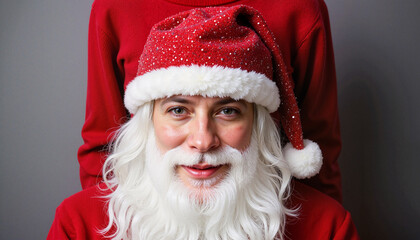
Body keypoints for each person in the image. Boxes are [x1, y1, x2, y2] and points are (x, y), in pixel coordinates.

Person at [49, 6, 358, 239]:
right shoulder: (78, 224)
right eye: (178, 111)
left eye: (228, 112)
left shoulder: (327, 225)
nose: (202, 140)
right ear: (145, 124)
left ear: (258, 126)